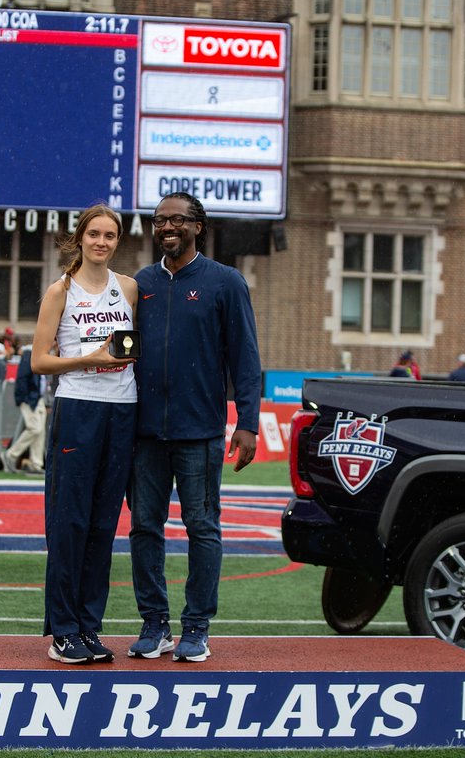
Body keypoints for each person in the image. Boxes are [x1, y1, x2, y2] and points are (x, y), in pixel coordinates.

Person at [128, 192, 262, 663]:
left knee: (202, 528)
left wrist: (248, 422)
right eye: (159, 220)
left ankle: (197, 627)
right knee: (144, 528)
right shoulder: (140, 283)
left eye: (177, 220)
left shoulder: (225, 282)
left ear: (197, 227)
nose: (167, 227)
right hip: (144, 433)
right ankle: (154, 623)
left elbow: (245, 357)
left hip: (200, 432)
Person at [28, 203, 137, 664]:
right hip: (78, 407)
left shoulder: (128, 288)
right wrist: (87, 359)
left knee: (103, 523)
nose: (101, 242)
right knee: (69, 521)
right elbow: (39, 361)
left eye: (109, 235)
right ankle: (64, 631)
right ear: (79, 238)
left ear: (117, 241)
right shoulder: (61, 291)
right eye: (94, 234)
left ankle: (89, 625)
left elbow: (132, 348)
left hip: (123, 409)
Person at [4, 341, 45, 474]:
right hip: (31, 398)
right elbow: (22, 379)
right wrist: (26, 399)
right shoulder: (29, 355)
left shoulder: (39, 353)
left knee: (40, 432)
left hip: (38, 398)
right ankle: (11, 454)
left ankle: (36, 463)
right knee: (35, 428)